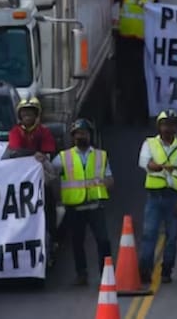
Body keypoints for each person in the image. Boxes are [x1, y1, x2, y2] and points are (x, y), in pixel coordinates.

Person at [57, 119, 114, 286]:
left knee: (103, 241)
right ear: (73, 137)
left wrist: (106, 183)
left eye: (83, 133)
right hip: (75, 208)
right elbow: (50, 171)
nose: (80, 136)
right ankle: (81, 274)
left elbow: (110, 178)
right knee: (77, 242)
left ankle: (106, 274)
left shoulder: (100, 156)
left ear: (90, 135)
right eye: (77, 134)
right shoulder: (64, 157)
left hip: (95, 206)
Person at [138, 109, 177, 285]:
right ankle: (145, 271)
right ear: (159, 126)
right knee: (149, 234)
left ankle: (166, 271)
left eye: (172, 125)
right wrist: (160, 166)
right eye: (165, 124)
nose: (169, 128)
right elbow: (145, 163)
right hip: (154, 197)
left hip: (173, 198)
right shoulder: (149, 144)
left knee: (172, 237)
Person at [7, 97, 60, 243]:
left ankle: (52, 238)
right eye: (24, 113)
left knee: (49, 204)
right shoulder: (15, 132)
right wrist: (33, 154)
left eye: (30, 113)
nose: (27, 116)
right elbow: (16, 150)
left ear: (37, 115)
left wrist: (39, 155)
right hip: (20, 180)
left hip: (40, 178)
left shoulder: (44, 131)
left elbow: (47, 151)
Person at [116, 0, 158, 123]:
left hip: (143, 46)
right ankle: (128, 115)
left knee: (142, 80)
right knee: (126, 80)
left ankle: (143, 114)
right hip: (125, 44)